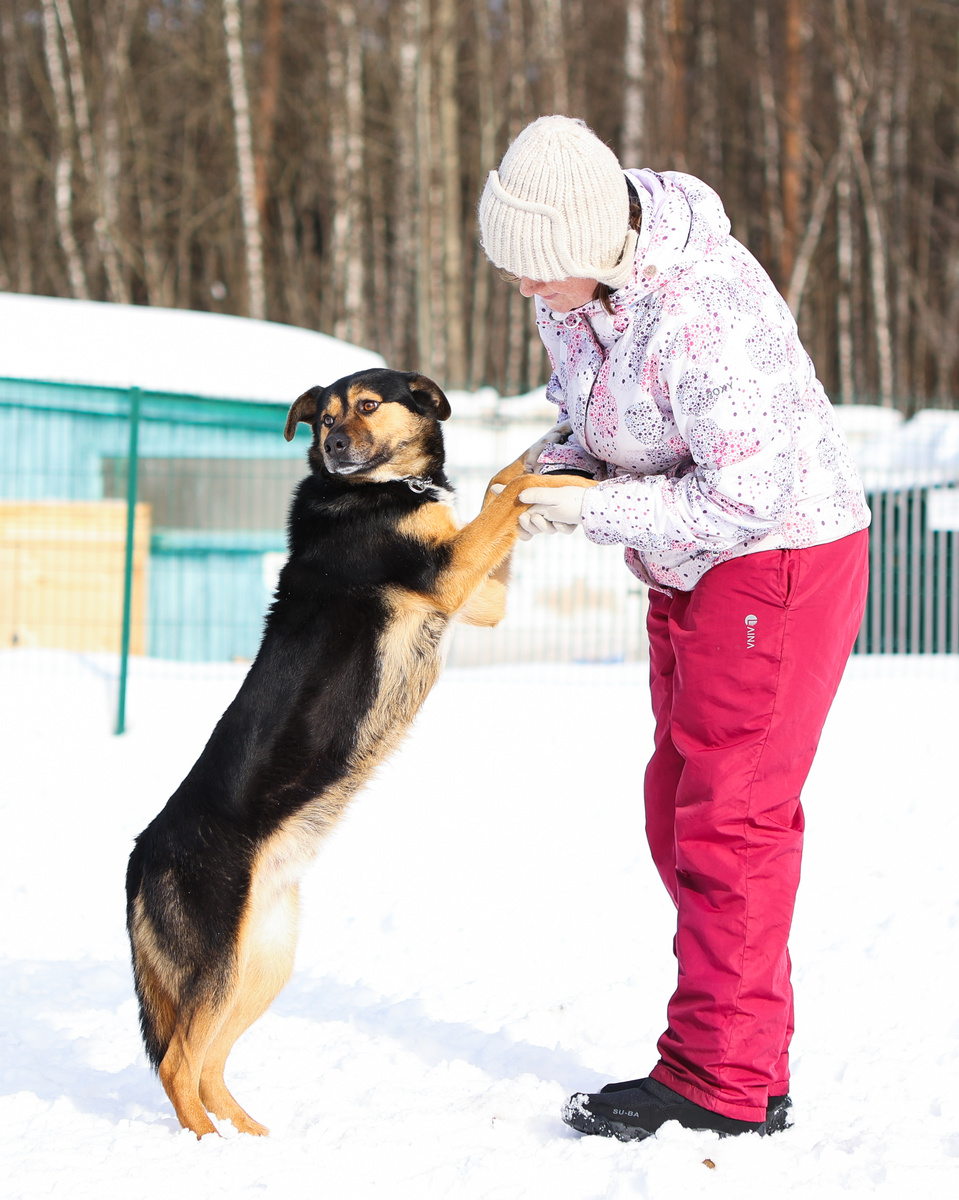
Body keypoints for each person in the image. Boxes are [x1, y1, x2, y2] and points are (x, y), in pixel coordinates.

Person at [478, 115, 870, 1142]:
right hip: (687, 564)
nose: (526, 293)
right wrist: (563, 460)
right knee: (682, 810)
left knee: (725, 824)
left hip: (771, 562)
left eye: (536, 273)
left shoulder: (702, 310)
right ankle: (750, 1056)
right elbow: (603, 415)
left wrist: (594, 509)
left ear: (589, 245)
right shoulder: (575, 292)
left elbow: (746, 495)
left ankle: (719, 1081)